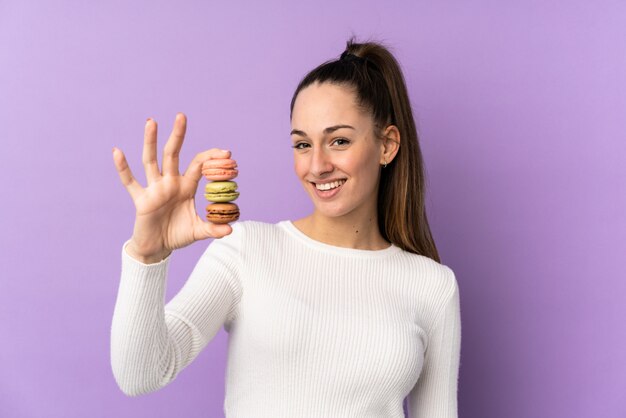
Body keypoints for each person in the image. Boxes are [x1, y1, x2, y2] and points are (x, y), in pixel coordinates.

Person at [110, 38, 461, 418]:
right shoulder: (246, 249)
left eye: (339, 140)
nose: (317, 166)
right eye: (302, 145)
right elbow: (140, 375)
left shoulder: (432, 286)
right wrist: (147, 255)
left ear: (387, 145)